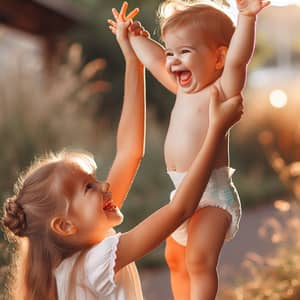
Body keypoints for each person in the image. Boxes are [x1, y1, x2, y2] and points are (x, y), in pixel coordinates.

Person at [1, 5, 242, 300]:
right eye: (89, 187)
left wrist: (133, 61)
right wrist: (217, 130)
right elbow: (181, 207)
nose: (105, 186)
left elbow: (129, 152)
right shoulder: (95, 262)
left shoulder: (67, 259)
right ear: (64, 225)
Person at [108, 0, 268, 299]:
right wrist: (132, 37)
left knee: (198, 260)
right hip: (181, 193)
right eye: (171, 52)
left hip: (213, 197)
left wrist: (247, 18)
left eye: (185, 52)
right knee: (176, 260)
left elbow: (238, 60)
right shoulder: (182, 87)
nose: (173, 61)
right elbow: (154, 60)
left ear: (218, 57)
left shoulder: (220, 91)